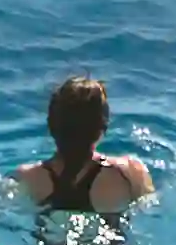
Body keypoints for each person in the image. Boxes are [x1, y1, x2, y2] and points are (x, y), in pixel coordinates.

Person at [14, 74, 155, 215]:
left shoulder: (27, 178)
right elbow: (152, 210)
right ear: (103, 127)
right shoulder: (130, 174)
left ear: (51, 126)